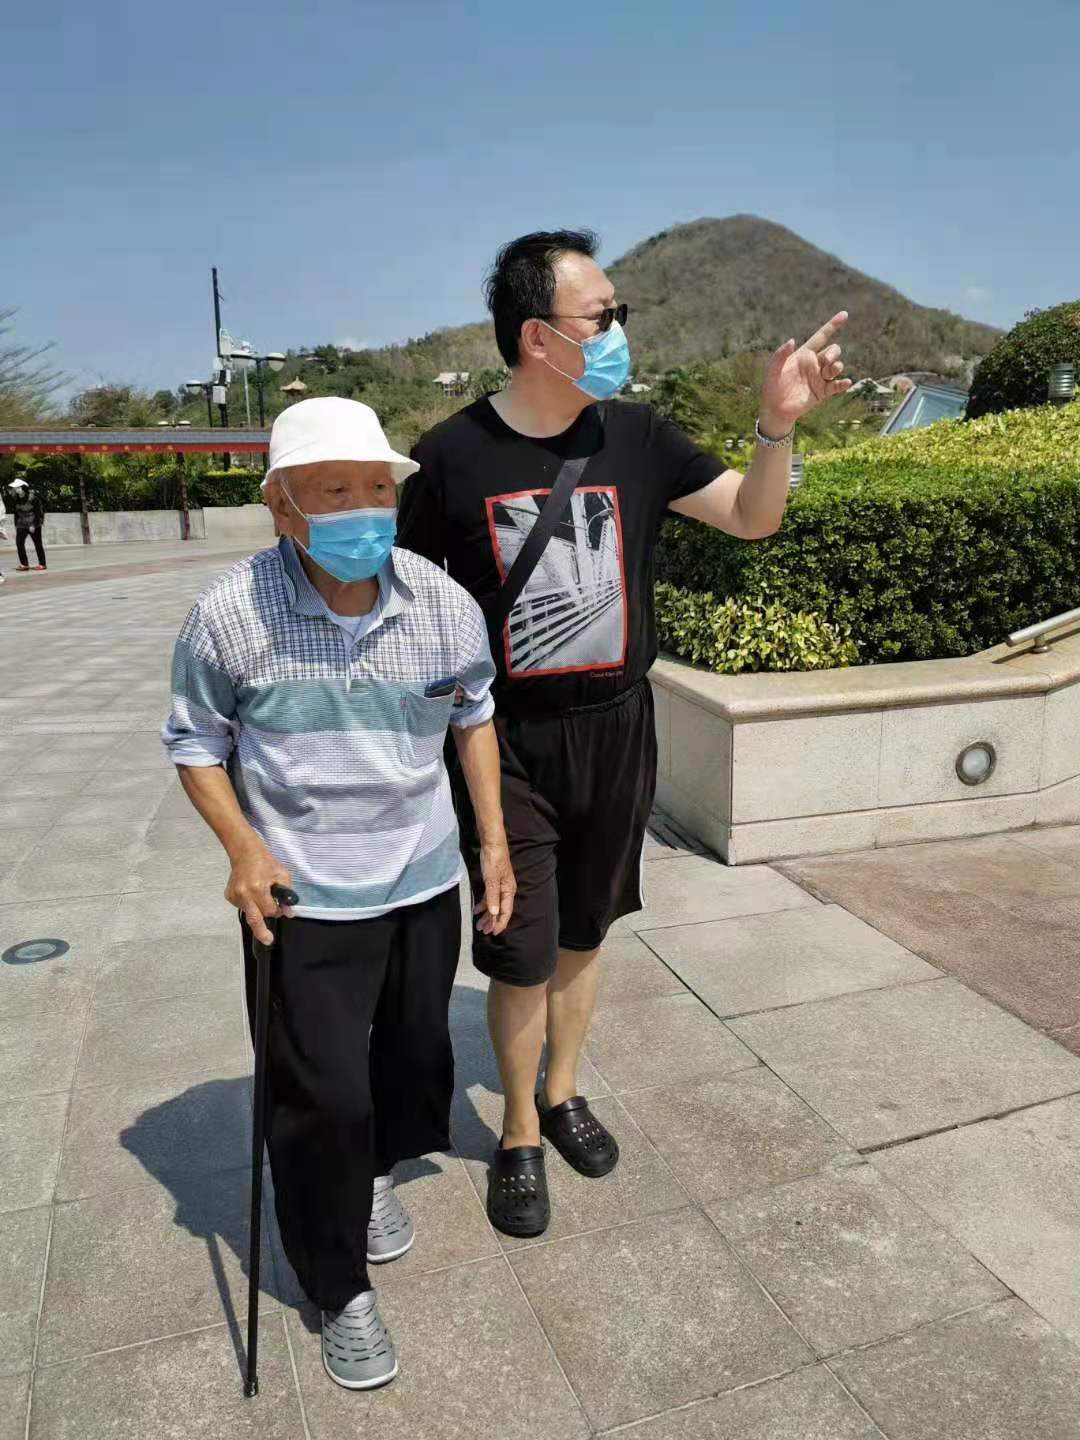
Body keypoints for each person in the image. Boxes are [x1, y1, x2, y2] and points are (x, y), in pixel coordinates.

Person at [398, 229, 850, 1239]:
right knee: (518, 945)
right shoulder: (450, 455)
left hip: (617, 728)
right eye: (602, 316)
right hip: (507, 742)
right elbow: (411, 605)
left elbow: (752, 516)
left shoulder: (639, 438)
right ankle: (518, 1132)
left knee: (585, 931)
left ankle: (561, 1091)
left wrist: (777, 428)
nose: (617, 331)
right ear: (539, 338)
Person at [162, 397, 515, 1392]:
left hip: (419, 882)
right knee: (319, 1096)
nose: (364, 510)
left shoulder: (441, 602)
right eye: (333, 491)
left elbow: (474, 717)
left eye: (377, 489)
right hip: (302, 896)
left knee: (411, 1058)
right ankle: (337, 1285)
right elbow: (195, 742)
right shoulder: (230, 613)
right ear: (281, 506)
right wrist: (242, 848)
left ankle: (368, 1176)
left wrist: (491, 843)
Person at [9, 476, 46, 571]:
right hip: (21, 524)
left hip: (33, 524)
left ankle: (42, 564)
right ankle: (24, 564)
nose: (16, 489)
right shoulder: (16, 498)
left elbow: (39, 512)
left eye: (18, 487)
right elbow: (16, 512)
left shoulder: (33, 498)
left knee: (38, 544)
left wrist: (34, 524)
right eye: (15, 488)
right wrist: (16, 524)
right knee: (19, 543)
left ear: (23, 487)